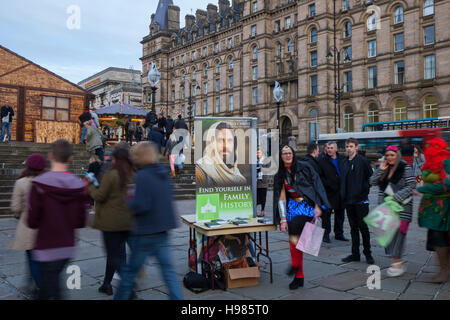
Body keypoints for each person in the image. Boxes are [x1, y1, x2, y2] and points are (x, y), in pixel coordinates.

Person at [115, 142, 183, 300]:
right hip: (163, 230)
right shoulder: (164, 174)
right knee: (168, 272)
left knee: (129, 274)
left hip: (144, 232)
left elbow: (141, 205)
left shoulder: (143, 176)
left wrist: (129, 200)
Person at [27, 139, 89, 300]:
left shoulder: (39, 184)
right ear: (70, 158)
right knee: (53, 287)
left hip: (45, 245)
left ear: (50, 156)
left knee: (51, 289)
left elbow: (32, 221)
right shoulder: (78, 186)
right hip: (67, 245)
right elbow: (81, 221)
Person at [273, 145, 330, 290]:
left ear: (294, 154)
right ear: (280, 156)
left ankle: (295, 266)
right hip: (292, 207)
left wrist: (318, 204)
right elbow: (281, 197)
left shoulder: (305, 167)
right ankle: (299, 276)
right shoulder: (280, 174)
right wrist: (283, 219)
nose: (287, 155)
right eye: (284, 153)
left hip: (308, 205)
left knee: (296, 235)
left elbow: (317, 184)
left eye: (289, 153)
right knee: (294, 242)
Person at [89, 148, 135, 296]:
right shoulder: (132, 174)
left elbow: (100, 196)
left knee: (114, 255)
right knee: (117, 254)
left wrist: (91, 186)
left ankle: (129, 288)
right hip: (126, 220)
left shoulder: (112, 174)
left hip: (110, 221)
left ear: (116, 159)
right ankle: (106, 284)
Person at [370, 145, 415, 277]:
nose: (389, 158)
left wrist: (396, 197)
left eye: (392, 155)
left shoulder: (405, 168)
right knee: (387, 234)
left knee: (399, 235)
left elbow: (411, 185)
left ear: (398, 155)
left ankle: (396, 262)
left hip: (402, 207)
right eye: (387, 155)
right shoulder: (384, 168)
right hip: (385, 207)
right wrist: (379, 170)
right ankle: (398, 261)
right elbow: (372, 182)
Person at [7, 154, 47, 296]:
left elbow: (15, 207)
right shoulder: (48, 181)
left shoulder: (21, 182)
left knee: (32, 258)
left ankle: (40, 288)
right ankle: (35, 284)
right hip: (45, 226)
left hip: (28, 226)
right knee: (41, 259)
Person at [416, 138, 450, 283]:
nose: (428, 148)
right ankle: (443, 269)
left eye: (432, 146)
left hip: (444, 208)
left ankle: (445, 270)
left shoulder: (447, 162)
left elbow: (447, 184)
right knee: (436, 239)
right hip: (433, 208)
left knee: (441, 238)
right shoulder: (430, 163)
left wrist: (422, 189)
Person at [340, 138, 375, 264]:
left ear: (356, 147)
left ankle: (368, 253)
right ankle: (355, 253)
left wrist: (364, 189)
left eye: (351, 146)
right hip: (348, 201)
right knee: (353, 228)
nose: (348, 149)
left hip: (361, 201)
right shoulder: (344, 162)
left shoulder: (363, 161)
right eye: (347, 146)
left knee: (363, 228)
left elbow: (371, 177)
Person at [195, 121, 247, 187]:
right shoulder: (200, 172)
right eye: (220, 140)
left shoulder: (236, 173)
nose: (226, 146)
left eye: (230, 140)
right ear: (211, 143)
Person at [317, 142, 348, 243]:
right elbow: (319, 176)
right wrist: (328, 183)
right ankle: (326, 234)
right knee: (326, 214)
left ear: (336, 149)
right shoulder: (322, 160)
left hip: (341, 190)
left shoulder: (343, 159)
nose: (329, 150)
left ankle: (339, 233)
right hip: (328, 191)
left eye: (331, 148)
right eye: (328, 148)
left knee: (340, 213)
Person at [256, 147, 269, 217]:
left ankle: (262, 211)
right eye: (257, 153)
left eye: (259, 153)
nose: (257, 154)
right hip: (256, 182)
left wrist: (260, 167)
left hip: (263, 182)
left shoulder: (266, 160)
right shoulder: (256, 160)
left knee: (263, 197)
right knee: (256, 197)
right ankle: (255, 211)